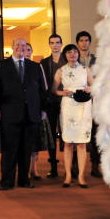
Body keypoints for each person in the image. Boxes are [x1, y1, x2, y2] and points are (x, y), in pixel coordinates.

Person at [0, 37, 45, 190]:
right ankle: (6, 182)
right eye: (17, 45)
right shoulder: (1, 66)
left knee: (26, 149)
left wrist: (42, 110)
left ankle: (24, 180)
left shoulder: (35, 67)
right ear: (12, 47)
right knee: (9, 149)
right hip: (9, 114)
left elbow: (41, 91)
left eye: (24, 45)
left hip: (31, 114)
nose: (21, 48)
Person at [54, 44, 94, 188]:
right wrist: (62, 92)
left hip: (83, 106)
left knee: (82, 143)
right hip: (68, 106)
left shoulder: (85, 70)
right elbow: (54, 90)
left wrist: (90, 88)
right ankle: (69, 175)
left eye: (75, 52)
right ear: (65, 55)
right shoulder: (61, 71)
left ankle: (81, 176)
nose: (72, 54)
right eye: (69, 52)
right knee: (68, 142)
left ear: (78, 54)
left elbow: (95, 87)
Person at [39, 34, 65, 179]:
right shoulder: (44, 62)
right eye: (52, 43)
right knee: (51, 134)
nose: (55, 45)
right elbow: (43, 85)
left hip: (68, 101)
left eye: (57, 42)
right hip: (51, 102)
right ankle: (53, 166)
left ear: (61, 44)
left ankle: (72, 166)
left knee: (68, 134)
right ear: (49, 45)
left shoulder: (67, 60)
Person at [76, 31, 101, 178]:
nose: (84, 43)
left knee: (95, 134)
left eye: (86, 40)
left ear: (90, 42)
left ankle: (95, 165)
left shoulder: (97, 60)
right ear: (77, 43)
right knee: (77, 132)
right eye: (81, 40)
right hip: (77, 102)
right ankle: (75, 166)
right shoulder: (73, 59)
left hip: (94, 101)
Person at [27, 42, 53, 180]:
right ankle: (25, 169)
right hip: (21, 110)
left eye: (28, 50)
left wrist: (43, 109)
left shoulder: (38, 67)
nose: (26, 52)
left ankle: (34, 169)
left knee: (35, 142)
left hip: (35, 109)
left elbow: (44, 89)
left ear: (31, 52)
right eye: (24, 49)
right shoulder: (17, 68)